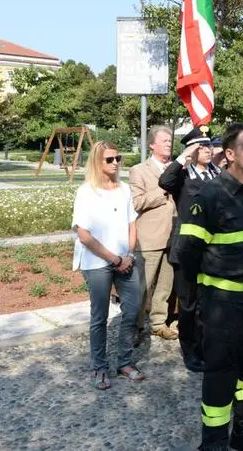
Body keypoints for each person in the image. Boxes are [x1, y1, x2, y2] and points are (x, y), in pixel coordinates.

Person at [175, 123, 243, 451]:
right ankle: (214, 441)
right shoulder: (209, 194)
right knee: (221, 373)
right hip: (224, 303)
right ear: (230, 154)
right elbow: (187, 252)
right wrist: (206, 295)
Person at [72, 141, 142, 390]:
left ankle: (124, 362)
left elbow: (132, 223)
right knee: (99, 317)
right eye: (109, 159)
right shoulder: (86, 192)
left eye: (118, 158)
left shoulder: (124, 189)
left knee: (133, 311)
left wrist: (129, 255)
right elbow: (84, 235)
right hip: (97, 263)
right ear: (97, 162)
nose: (115, 163)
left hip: (126, 260)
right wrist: (115, 259)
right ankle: (99, 367)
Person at [159, 125, 220, 372]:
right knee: (188, 303)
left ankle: (206, 345)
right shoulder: (183, 175)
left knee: (208, 302)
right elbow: (164, 181)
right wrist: (182, 157)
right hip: (187, 250)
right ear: (191, 150)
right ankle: (190, 350)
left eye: (209, 146)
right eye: (201, 147)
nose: (207, 150)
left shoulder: (216, 174)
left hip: (212, 248)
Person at [129, 125, 178, 342]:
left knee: (166, 287)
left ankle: (158, 323)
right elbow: (137, 202)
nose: (169, 144)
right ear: (151, 145)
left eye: (170, 141)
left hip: (174, 236)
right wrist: (164, 187)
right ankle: (135, 327)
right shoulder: (139, 170)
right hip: (149, 238)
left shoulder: (179, 170)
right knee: (142, 288)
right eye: (164, 141)